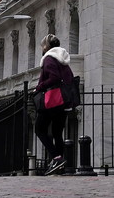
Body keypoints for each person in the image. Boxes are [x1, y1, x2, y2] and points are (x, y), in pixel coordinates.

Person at [34, 34, 75, 176]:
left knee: (39, 129)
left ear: (46, 47)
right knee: (57, 133)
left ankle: (56, 158)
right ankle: (60, 165)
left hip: (51, 100)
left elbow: (54, 77)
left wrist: (40, 87)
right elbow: (69, 78)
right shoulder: (63, 60)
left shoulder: (49, 59)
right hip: (63, 101)